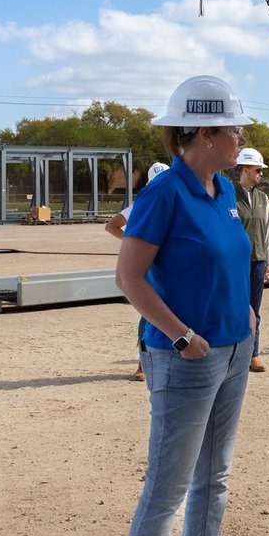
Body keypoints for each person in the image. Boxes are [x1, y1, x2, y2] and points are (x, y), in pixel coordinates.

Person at [111, 75, 256, 536]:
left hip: (231, 350)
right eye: (232, 128)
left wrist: (242, 316)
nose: (240, 137)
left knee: (213, 478)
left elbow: (229, 262)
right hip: (186, 358)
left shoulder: (221, 189)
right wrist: (180, 334)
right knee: (166, 490)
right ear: (201, 133)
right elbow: (130, 277)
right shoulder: (164, 193)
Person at [105, 161, 170, 382]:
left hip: (170, 265)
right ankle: (143, 364)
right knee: (149, 311)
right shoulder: (141, 205)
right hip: (151, 265)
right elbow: (111, 225)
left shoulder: (174, 202)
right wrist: (133, 242)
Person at [233, 147, 269, 373]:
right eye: (257, 170)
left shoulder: (262, 198)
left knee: (254, 310)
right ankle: (232, 354)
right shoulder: (228, 194)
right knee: (233, 307)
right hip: (235, 263)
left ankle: (253, 354)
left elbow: (267, 231)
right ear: (245, 169)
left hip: (257, 262)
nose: (260, 174)